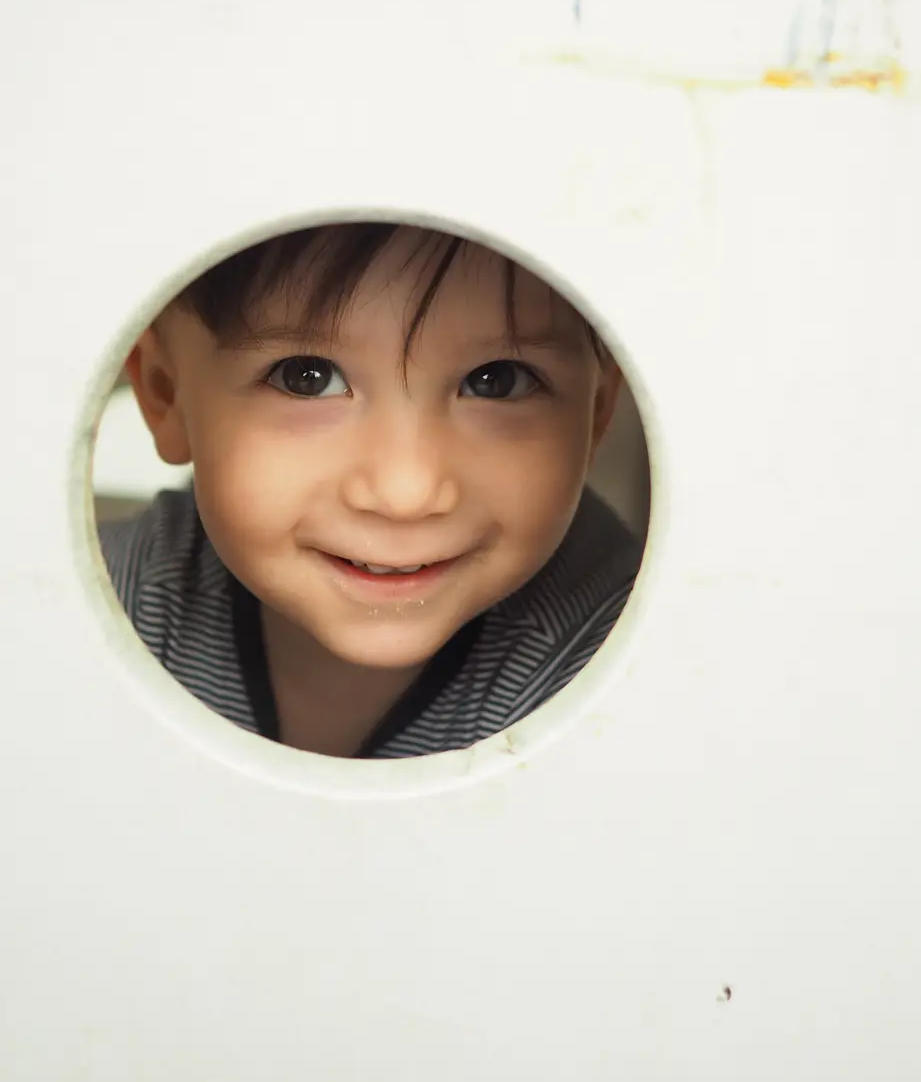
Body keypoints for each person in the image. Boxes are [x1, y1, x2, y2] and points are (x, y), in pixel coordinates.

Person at [99, 222, 643, 758]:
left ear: (596, 410)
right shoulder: (108, 608)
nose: (405, 494)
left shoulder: (628, 664)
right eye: (306, 377)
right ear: (165, 391)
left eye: (496, 380)